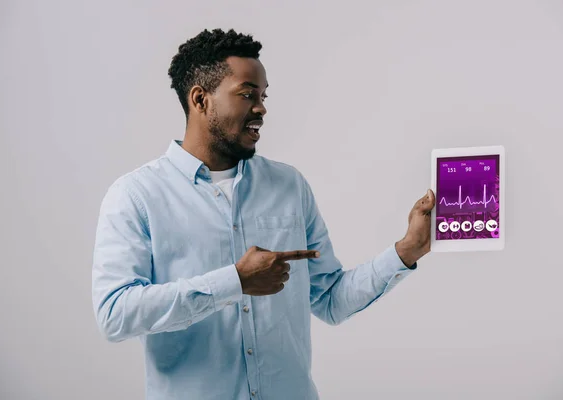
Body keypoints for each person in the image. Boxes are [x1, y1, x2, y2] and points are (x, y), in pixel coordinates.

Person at [92, 28, 436, 400]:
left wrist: (406, 251)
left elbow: (331, 299)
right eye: (247, 94)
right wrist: (234, 281)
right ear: (200, 99)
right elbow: (115, 313)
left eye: (263, 95)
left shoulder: (289, 186)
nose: (261, 107)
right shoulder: (136, 196)